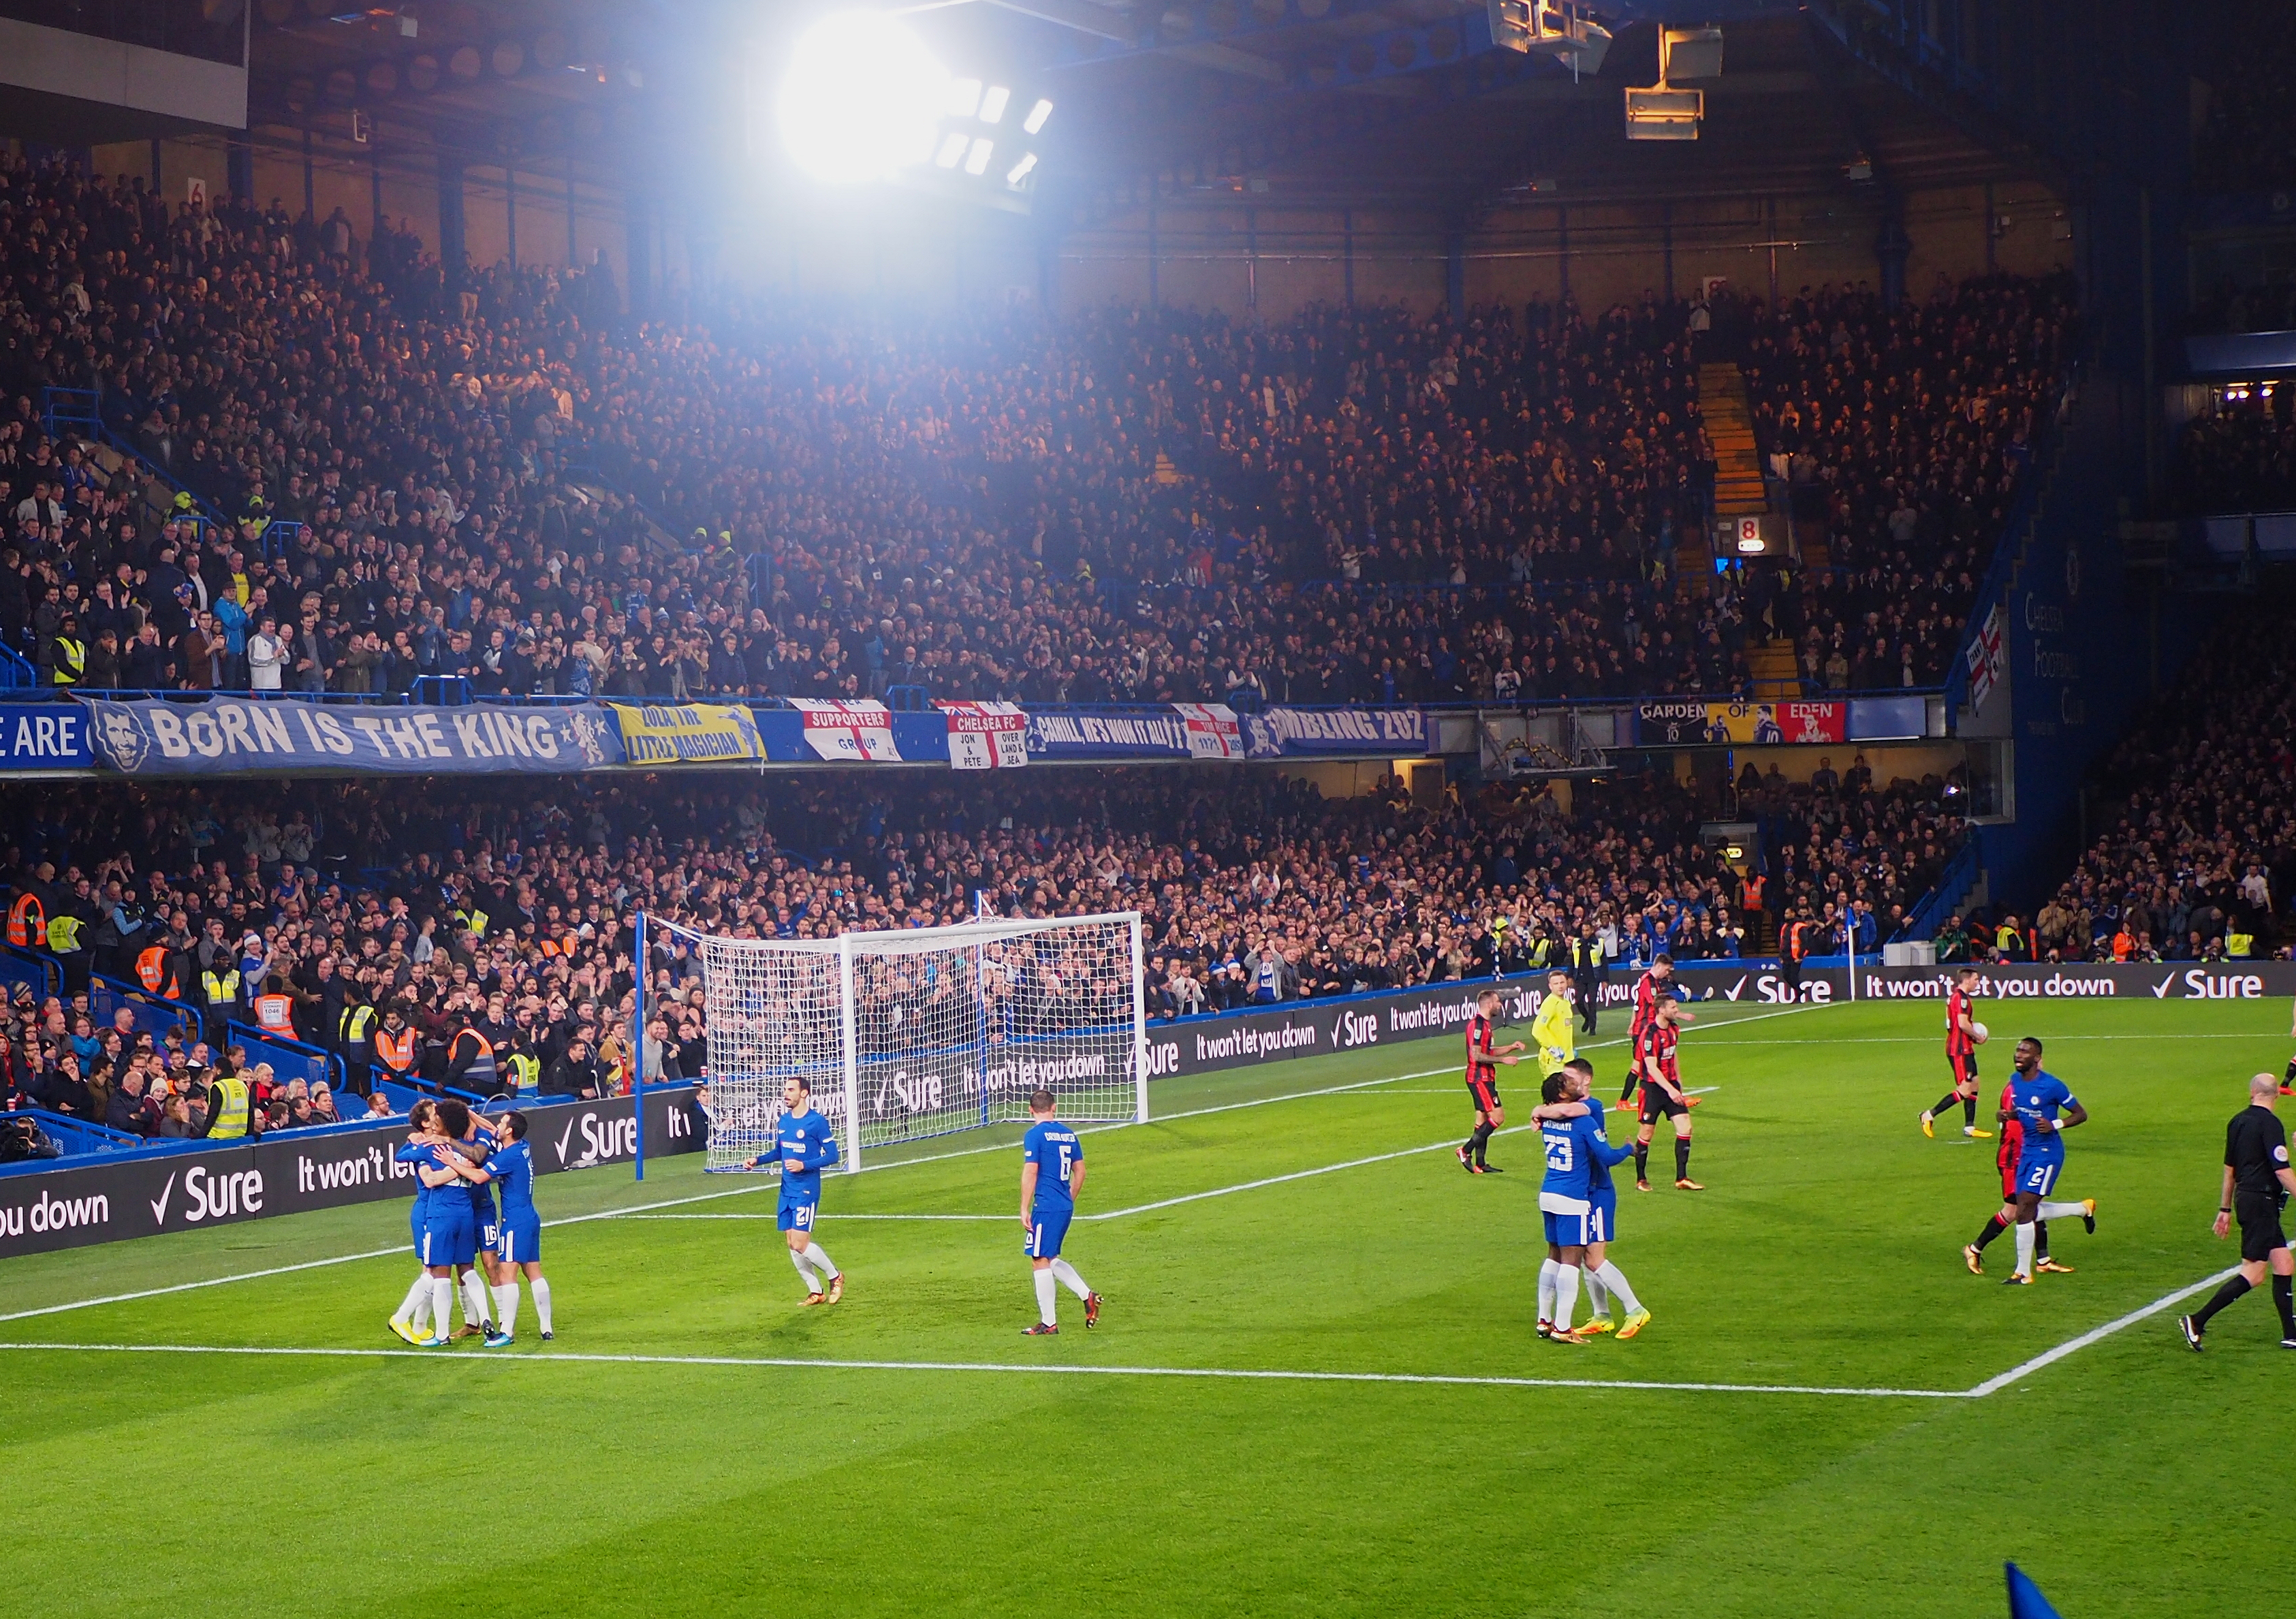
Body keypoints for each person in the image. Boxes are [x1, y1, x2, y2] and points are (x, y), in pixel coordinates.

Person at [1532, 1058, 1651, 1340]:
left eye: (1572, 1078)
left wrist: (1539, 1110)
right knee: (1583, 1258)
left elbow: (1568, 1109)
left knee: (1592, 1259)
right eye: (1565, 1080)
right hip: (1579, 1192)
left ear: (1586, 1082)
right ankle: (1602, 1315)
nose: (1570, 1082)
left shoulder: (1590, 1107)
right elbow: (1566, 1111)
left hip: (1596, 1191)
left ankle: (1634, 1310)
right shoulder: (1568, 1116)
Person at [2180, 1073, 2296, 1351]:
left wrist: (2224, 1208)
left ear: (2252, 1092)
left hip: (2248, 1199)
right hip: (2262, 1202)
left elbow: (2229, 1170)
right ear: (2276, 1096)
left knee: (2284, 1263)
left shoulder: (2237, 1121)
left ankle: (2291, 1334)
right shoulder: (2271, 1125)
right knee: (2254, 1274)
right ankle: (2197, 1320)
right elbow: (2282, 1172)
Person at [1964, 1069, 2092, 1276]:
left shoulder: (2031, 1086)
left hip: (2025, 1155)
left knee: (2032, 1205)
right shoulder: (2015, 1089)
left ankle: (2043, 1259)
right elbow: (2015, 1127)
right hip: (2013, 1158)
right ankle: (1974, 1249)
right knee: (2016, 1211)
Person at [742, 1074, 845, 1304]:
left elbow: (833, 1156)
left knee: (800, 1243)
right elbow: (780, 1151)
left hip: (806, 1189)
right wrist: (757, 1159)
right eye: (785, 1090)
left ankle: (836, 1277)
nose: (785, 1094)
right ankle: (815, 1292)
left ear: (804, 1093)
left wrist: (804, 1165)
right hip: (787, 1189)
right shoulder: (784, 1121)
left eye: (791, 1090)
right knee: (791, 1244)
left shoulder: (816, 1122)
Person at [1998, 1037, 2088, 1286]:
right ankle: (2082, 1209)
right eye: (2018, 1050)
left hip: (2048, 1153)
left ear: (2037, 1059)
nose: (2019, 1055)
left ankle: (2024, 1273)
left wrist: (2055, 1124)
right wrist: (2009, 1115)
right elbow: (2025, 1111)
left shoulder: (2052, 1086)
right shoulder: (2015, 1081)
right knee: (2025, 1208)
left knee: (2025, 1206)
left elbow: (2081, 1114)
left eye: (2025, 1052)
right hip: (2028, 1152)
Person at [1018, 1087, 1101, 1335]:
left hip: (1046, 1206)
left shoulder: (1034, 1135)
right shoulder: (1068, 1134)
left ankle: (1049, 1323)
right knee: (1050, 1257)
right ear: (1054, 1108)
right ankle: (1087, 1296)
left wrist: (1024, 1207)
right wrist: (1069, 1198)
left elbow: (1031, 1171)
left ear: (1031, 1110)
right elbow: (1081, 1171)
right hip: (1063, 1205)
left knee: (1039, 1260)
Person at [477, 1110, 551, 1345]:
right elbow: (491, 1130)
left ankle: (506, 1332)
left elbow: (479, 1177)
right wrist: (470, 1114)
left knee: (507, 1273)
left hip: (514, 1221)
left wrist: (451, 1163)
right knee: (534, 1272)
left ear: (509, 1130)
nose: (497, 1125)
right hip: (530, 1217)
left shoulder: (507, 1158)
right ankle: (546, 1328)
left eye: (502, 1122)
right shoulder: (522, 1147)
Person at [1633, 999, 1702, 1191]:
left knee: (1685, 1128)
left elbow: (1673, 1055)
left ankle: (1682, 1178)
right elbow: (1651, 1068)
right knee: (1647, 1133)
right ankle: (1641, 1179)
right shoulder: (1649, 1034)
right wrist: (1670, 1090)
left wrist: (1678, 1083)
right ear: (1661, 1010)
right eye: (1673, 1007)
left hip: (1671, 1086)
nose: (1677, 1010)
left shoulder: (1674, 1029)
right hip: (1653, 1089)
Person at [1920, 966, 1994, 1140]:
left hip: (1965, 1047)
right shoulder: (1960, 998)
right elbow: (1962, 1024)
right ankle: (1929, 1115)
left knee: (1975, 1083)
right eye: (1976, 979)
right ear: (1967, 980)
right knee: (1965, 1089)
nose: (1978, 982)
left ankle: (1970, 1127)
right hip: (1959, 1050)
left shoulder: (1957, 997)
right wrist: (1978, 1036)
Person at [1458, 986, 1523, 1175]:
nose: (1500, 1005)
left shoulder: (1485, 1025)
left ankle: (1481, 1163)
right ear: (1488, 1004)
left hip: (1485, 1077)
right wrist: (1504, 1060)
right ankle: (1465, 1151)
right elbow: (1477, 1055)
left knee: (1482, 1118)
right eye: (1498, 1002)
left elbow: (1489, 1052)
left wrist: (1511, 1047)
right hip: (1479, 1078)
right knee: (1498, 1117)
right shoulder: (1477, 1026)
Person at [1620, 953, 1673, 1103]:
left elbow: (1637, 1006)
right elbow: (1655, 1004)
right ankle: (1623, 1100)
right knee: (1640, 1066)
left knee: (1649, 1065)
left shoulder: (1653, 982)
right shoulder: (1647, 982)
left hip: (1645, 1029)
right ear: (1660, 966)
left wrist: (1631, 1024)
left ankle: (1666, 1096)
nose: (1667, 973)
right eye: (1667, 970)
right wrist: (1679, 1014)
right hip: (1644, 1031)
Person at [1532, 969, 1575, 1079]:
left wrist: (1569, 1051)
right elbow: (1537, 1030)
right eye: (1556, 984)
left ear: (1567, 983)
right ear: (1550, 986)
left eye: (1562, 983)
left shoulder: (1565, 1003)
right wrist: (1552, 1049)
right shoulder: (1550, 1003)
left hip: (1566, 1059)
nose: (1560, 986)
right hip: (1554, 1059)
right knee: (1558, 1093)